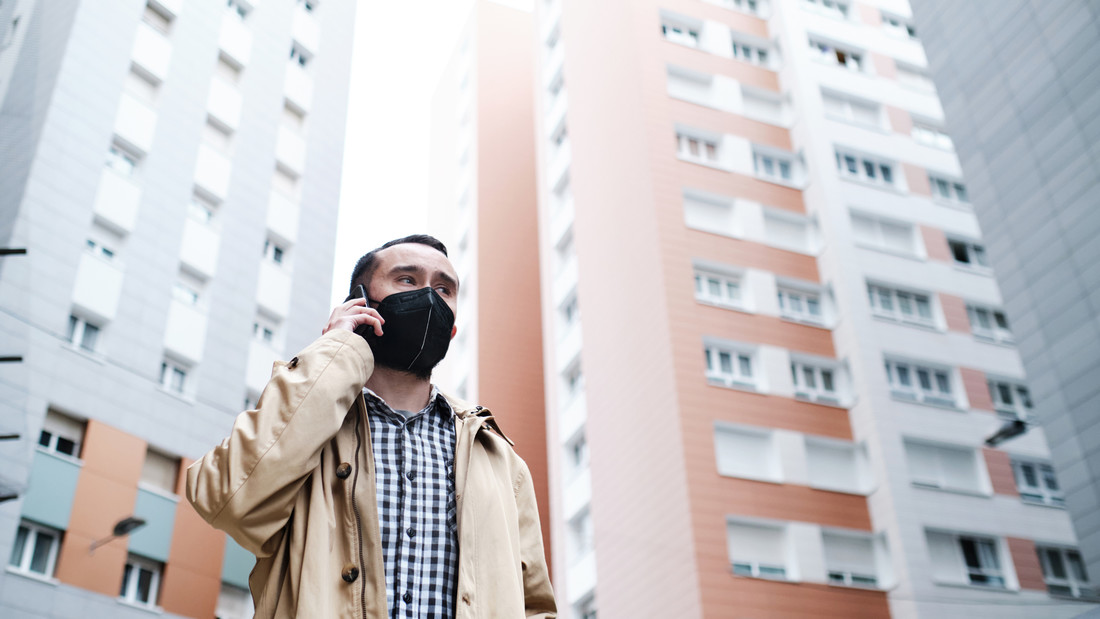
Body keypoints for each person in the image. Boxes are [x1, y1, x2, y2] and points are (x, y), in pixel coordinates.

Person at [186, 234, 556, 618]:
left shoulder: (497, 459)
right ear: (360, 304)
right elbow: (229, 500)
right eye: (408, 280)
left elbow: (534, 607)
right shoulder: (307, 427)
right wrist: (335, 351)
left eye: (444, 288)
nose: (429, 297)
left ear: (452, 330)